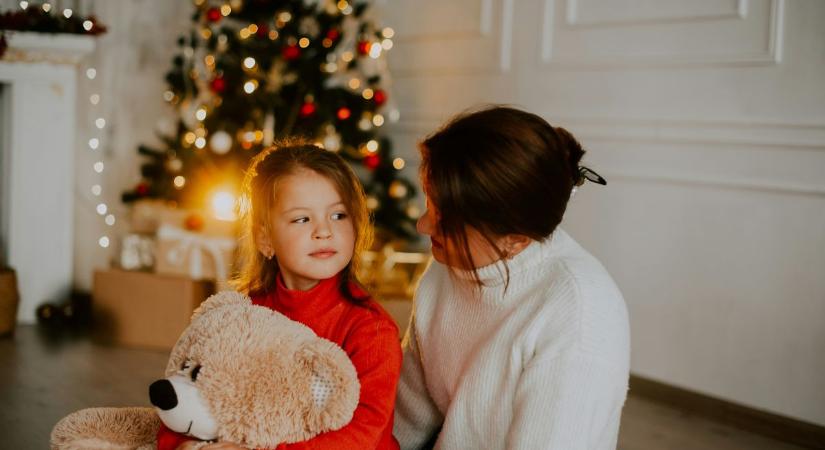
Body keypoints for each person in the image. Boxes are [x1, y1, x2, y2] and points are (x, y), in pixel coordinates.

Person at [393, 106, 630, 449]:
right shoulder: (446, 268)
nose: (423, 226)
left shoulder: (581, 315)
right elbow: (409, 413)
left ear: (516, 239)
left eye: (447, 221)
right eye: (430, 204)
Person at [158, 143, 402, 450]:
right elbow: (189, 391)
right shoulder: (241, 315)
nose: (324, 231)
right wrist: (183, 444)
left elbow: (364, 433)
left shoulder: (371, 329)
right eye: (302, 219)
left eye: (339, 215)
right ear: (265, 239)